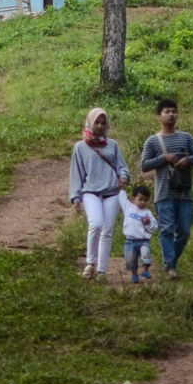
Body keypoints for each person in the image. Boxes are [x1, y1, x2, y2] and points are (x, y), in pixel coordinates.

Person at [139, 98, 193, 280]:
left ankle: (171, 262)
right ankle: (170, 266)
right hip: (164, 194)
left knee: (184, 231)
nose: (171, 115)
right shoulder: (153, 141)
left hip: (185, 193)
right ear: (159, 116)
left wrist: (188, 160)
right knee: (167, 230)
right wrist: (164, 158)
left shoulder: (186, 137)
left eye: (174, 111)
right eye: (167, 112)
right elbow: (144, 165)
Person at [68, 106, 130, 281]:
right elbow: (76, 174)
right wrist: (76, 197)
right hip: (91, 191)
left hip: (112, 192)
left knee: (107, 231)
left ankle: (102, 271)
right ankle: (90, 263)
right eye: (97, 122)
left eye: (104, 123)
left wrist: (123, 177)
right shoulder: (80, 147)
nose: (100, 126)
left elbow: (122, 167)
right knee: (95, 224)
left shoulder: (113, 145)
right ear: (90, 123)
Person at [121, 186, 158, 282]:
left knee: (146, 255)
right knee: (130, 260)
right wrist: (122, 189)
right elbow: (122, 198)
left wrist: (148, 223)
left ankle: (145, 270)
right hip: (130, 241)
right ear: (133, 199)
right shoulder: (128, 207)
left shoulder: (148, 213)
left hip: (143, 241)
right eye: (140, 199)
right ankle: (134, 275)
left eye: (145, 200)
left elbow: (154, 227)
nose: (142, 202)